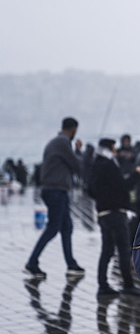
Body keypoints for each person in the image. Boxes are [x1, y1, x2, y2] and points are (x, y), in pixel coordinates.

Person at [24, 117, 86, 279]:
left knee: (67, 227)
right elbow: (77, 165)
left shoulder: (56, 142)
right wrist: (79, 151)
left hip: (55, 190)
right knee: (53, 228)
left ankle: (71, 264)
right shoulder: (63, 143)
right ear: (73, 130)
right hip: (56, 191)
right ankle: (32, 262)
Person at [88, 138, 140, 297]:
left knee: (107, 251)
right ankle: (127, 285)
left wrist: (103, 199)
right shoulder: (109, 165)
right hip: (115, 213)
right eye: (114, 148)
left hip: (102, 213)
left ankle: (103, 286)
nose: (116, 151)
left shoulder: (96, 165)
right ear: (110, 149)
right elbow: (123, 186)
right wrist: (137, 174)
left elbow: (90, 190)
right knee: (123, 249)